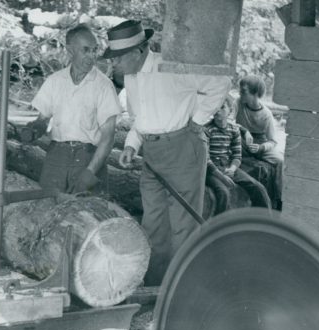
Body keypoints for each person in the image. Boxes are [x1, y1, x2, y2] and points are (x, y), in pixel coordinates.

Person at [105, 19, 230, 285]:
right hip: (152, 153)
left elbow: (220, 81)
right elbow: (140, 118)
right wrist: (131, 145)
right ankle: (154, 284)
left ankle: (183, 287)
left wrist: (197, 121)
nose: (113, 63)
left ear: (138, 51)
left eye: (117, 57)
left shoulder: (170, 67)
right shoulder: (131, 77)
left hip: (183, 147)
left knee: (183, 223)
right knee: (153, 221)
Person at [22, 24, 121, 194]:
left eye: (94, 50)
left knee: (87, 214)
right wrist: (33, 130)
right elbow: (42, 120)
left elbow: (108, 136)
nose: (92, 56)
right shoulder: (55, 81)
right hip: (56, 157)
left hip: (88, 157)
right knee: (47, 209)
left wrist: (90, 172)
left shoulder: (104, 86)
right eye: (86, 50)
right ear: (70, 50)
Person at [203, 96, 271, 215]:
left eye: (222, 107)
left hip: (229, 166)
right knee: (223, 192)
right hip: (212, 170)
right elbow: (206, 160)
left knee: (258, 187)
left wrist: (232, 169)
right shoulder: (207, 130)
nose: (217, 111)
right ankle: (217, 228)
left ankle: (265, 223)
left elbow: (237, 155)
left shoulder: (234, 130)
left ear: (230, 110)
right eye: (215, 108)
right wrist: (222, 177)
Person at [235, 75, 283, 209]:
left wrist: (261, 148)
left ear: (255, 93)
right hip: (241, 141)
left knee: (280, 161)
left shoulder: (266, 114)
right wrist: (244, 131)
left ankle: (278, 200)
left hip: (259, 144)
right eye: (240, 91)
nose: (240, 94)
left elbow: (272, 141)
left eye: (244, 91)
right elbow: (230, 121)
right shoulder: (238, 103)